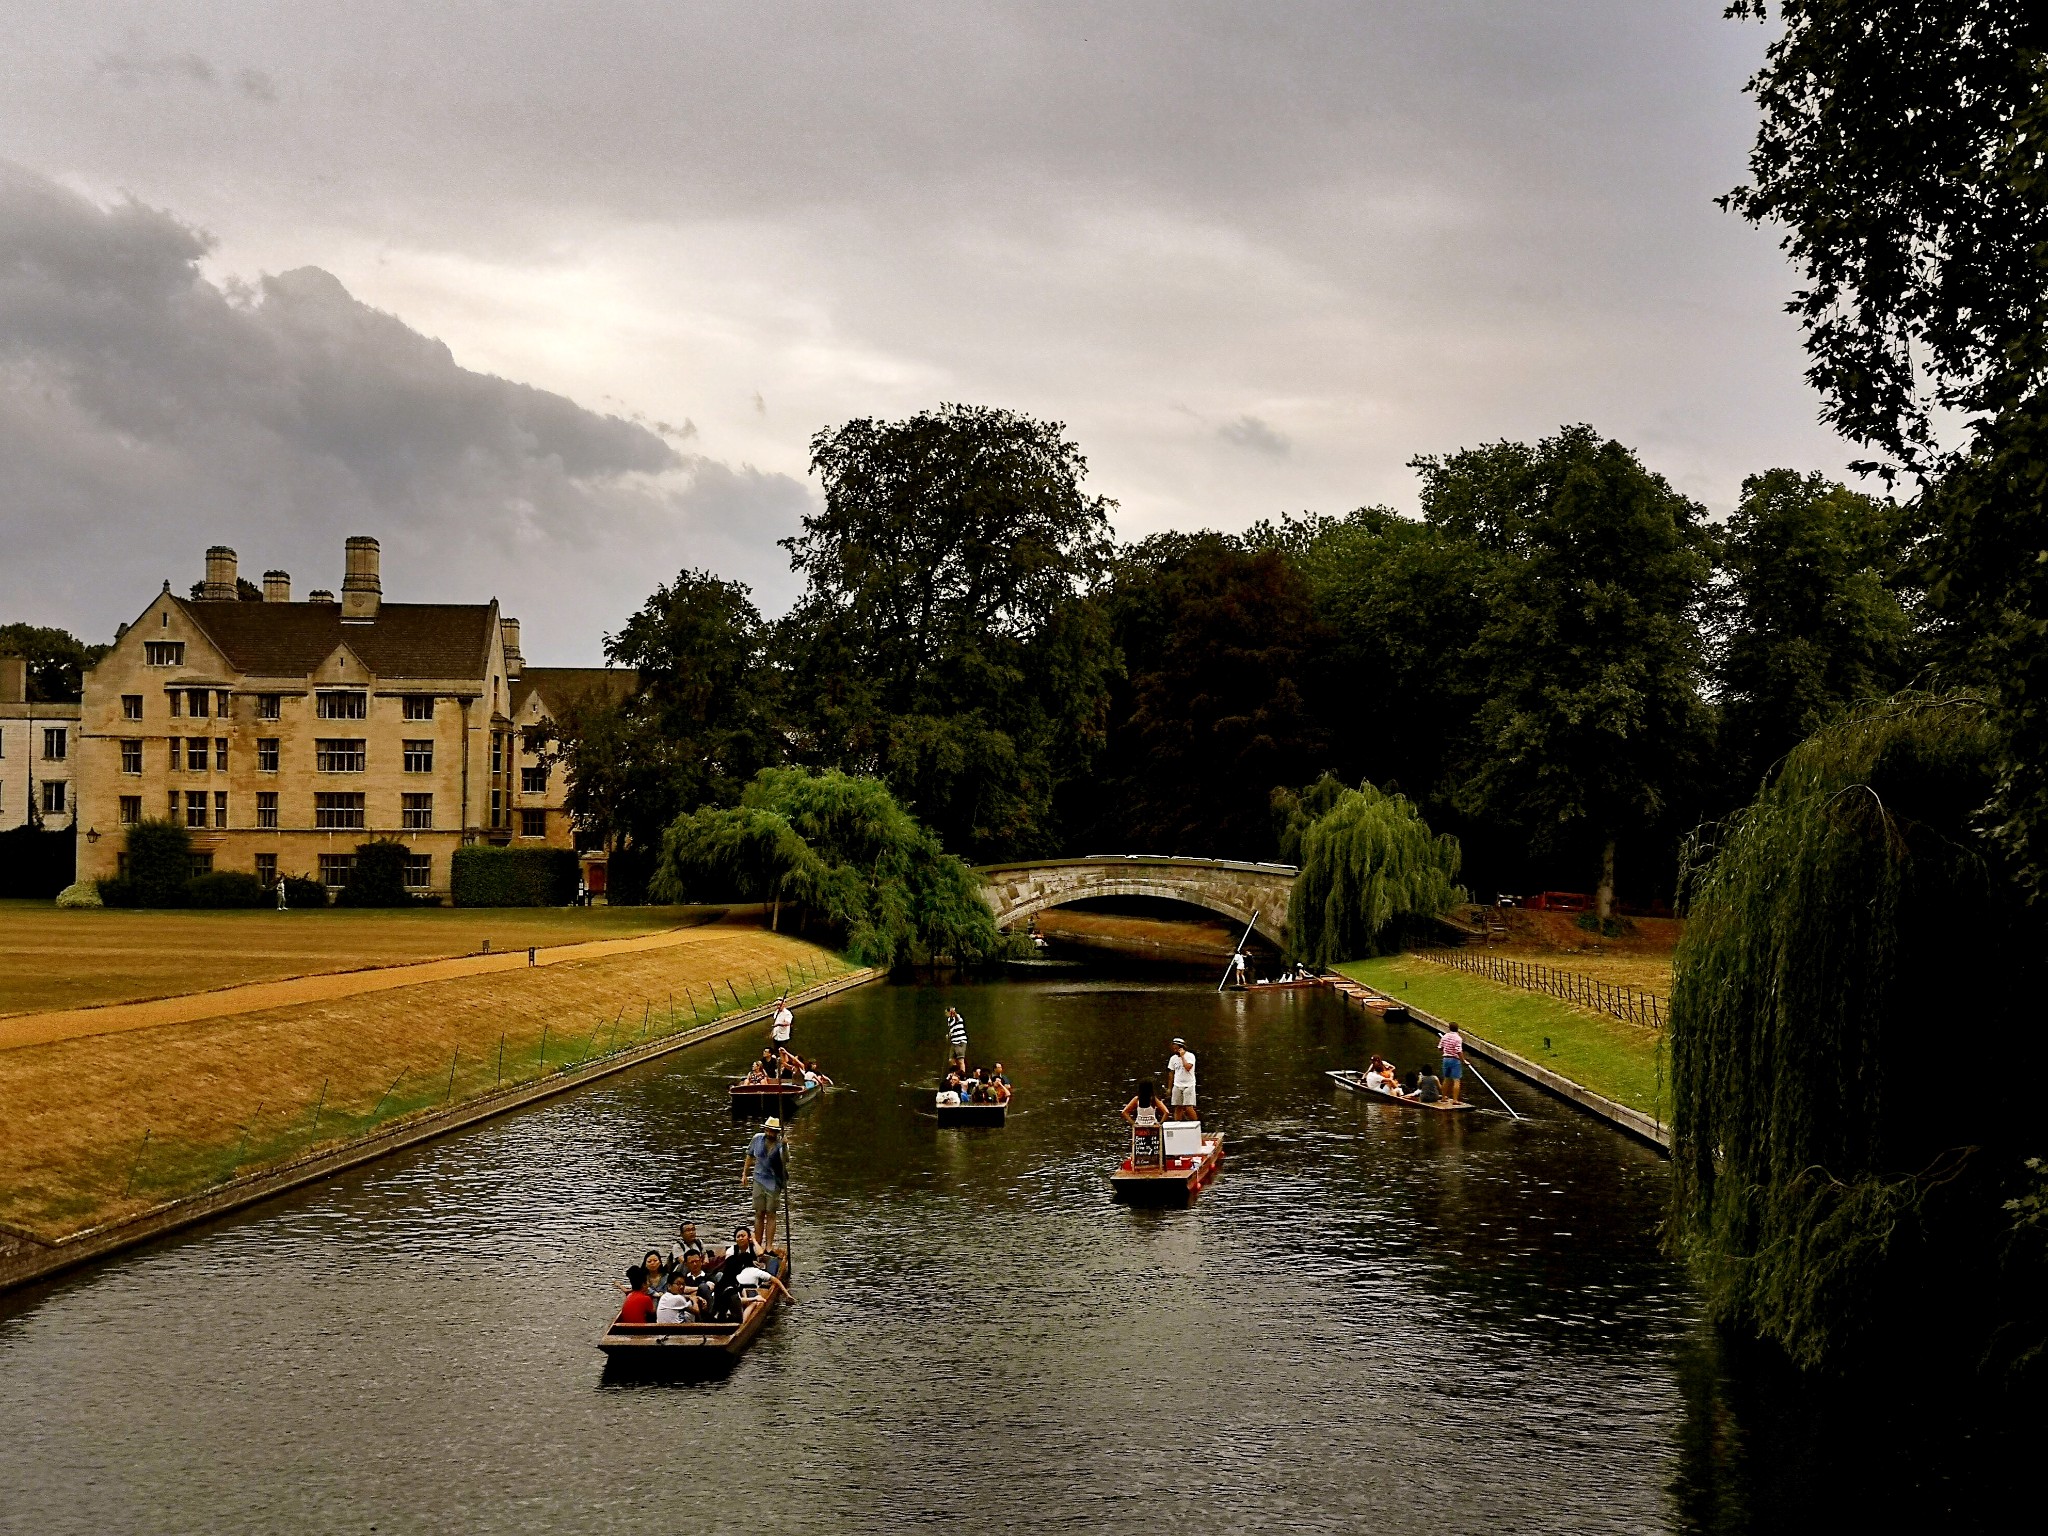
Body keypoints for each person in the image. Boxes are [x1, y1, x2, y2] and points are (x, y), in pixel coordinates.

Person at [742, 1118, 788, 1250]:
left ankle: (768, 1245)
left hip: (774, 1181)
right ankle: (758, 1244)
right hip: (758, 1179)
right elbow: (749, 1155)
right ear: (765, 1130)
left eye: (773, 1131)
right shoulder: (757, 1139)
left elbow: (786, 1160)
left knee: (771, 1213)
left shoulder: (780, 1144)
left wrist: (784, 1146)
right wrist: (744, 1174)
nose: (770, 1133)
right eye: (769, 1130)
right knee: (759, 1212)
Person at [1167, 1038, 1198, 1121]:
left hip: (1189, 1085)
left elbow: (1188, 1067)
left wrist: (1183, 1057)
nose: (1175, 1050)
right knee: (1178, 1107)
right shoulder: (1173, 1059)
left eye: (1176, 1048)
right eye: (1174, 1048)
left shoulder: (1190, 1056)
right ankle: (1177, 1126)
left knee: (1188, 1107)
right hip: (1177, 1085)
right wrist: (1169, 1088)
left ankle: (1196, 1125)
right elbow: (1171, 1073)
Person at [1438, 1026, 1466, 1104]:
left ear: (1449, 1028)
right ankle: (1455, 1100)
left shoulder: (1445, 1036)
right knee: (1456, 1080)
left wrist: (1446, 1050)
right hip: (1455, 1060)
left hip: (1445, 1059)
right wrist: (1463, 1060)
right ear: (1457, 1029)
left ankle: (1443, 1097)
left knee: (1446, 1079)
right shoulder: (1458, 1038)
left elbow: (1440, 1048)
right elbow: (1459, 1051)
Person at [944, 1007, 968, 1072]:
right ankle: (956, 1072)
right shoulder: (949, 1020)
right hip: (953, 1042)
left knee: (961, 1060)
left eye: (946, 1012)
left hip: (960, 1041)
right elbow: (952, 1029)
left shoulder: (957, 1017)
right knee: (951, 1060)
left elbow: (957, 1017)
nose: (945, 1014)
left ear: (950, 1012)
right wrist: (948, 1035)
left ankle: (962, 1075)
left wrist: (954, 1012)